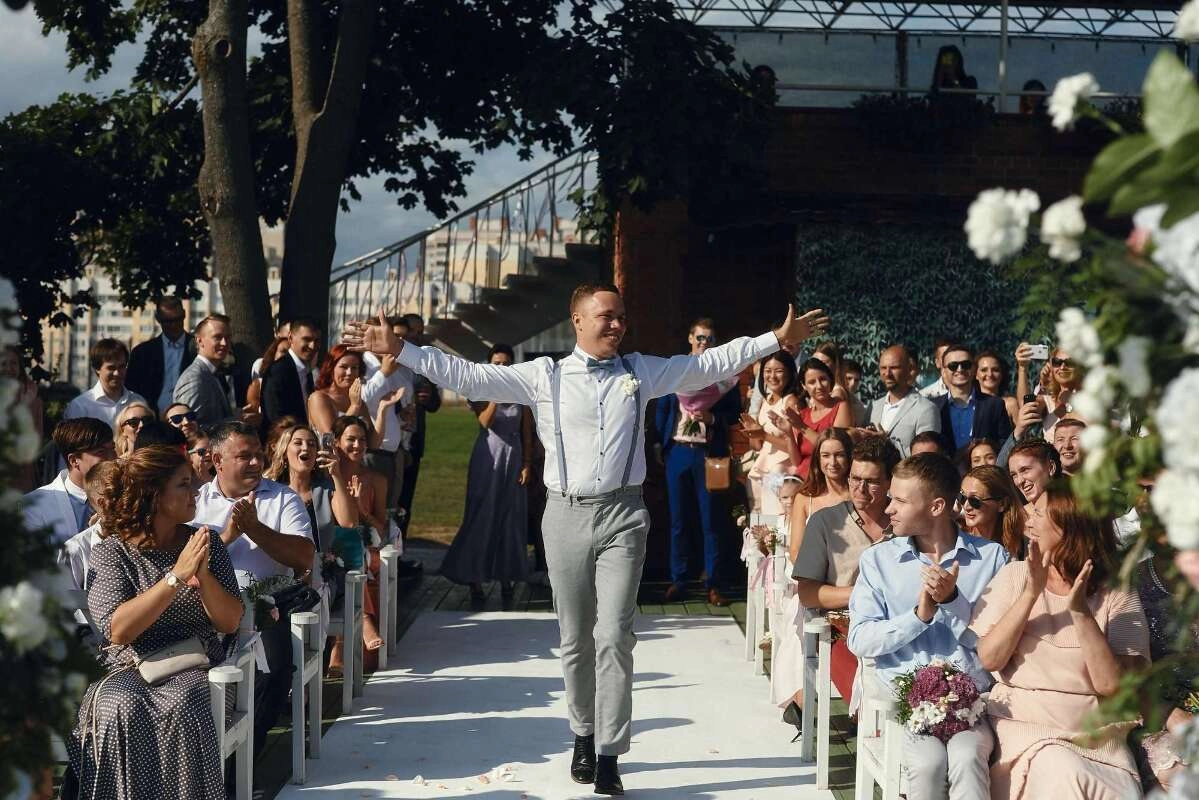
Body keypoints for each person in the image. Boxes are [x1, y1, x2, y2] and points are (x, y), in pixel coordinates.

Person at [341, 284, 828, 794]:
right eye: (606, 316)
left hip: (624, 514)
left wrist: (775, 339)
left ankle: (610, 752)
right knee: (575, 639)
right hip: (565, 516)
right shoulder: (544, 375)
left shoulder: (641, 371)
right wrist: (403, 350)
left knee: (614, 635)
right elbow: (469, 375)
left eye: (621, 316)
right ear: (576, 320)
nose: (617, 324)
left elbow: (707, 365)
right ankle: (583, 731)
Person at [68, 446, 243, 800]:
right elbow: (118, 630)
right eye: (183, 484)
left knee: (183, 703)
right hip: (129, 664)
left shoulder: (205, 542)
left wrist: (203, 576)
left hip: (196, 662)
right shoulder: (113, 551)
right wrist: (175, 577)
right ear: (154, 495)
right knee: (118, 704)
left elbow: (230, 622)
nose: (195, 492)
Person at [970, 483, 1150, 799]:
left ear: (1069, 527)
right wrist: (1031, 592)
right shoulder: (1014, 575)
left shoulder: (1116, 592)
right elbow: (990, 658)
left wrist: (1081, 614)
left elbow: (1111, 685)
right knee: (1065, 772)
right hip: (1026, 729)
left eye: (1039, 513)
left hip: (1098, 738)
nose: (1029, 519)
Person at [848, 453, 1009, 800]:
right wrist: (918, 616)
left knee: (967, 756)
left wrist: (952, 603)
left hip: (973, 705)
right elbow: (860, 639)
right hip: (905, 709)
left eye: (900, 501)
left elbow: (1000, 642)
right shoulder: (878, 560)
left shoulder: (993, 558)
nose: (888, 508)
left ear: (936, 506)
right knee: (928, 763)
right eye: (890, 498)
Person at [190, 421, 316, 751]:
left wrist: (255, 528)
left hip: (265, 611)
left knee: (274, 668)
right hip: (202, 610)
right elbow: (181, 563)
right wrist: (229, 535)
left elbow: (304, 557)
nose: (256, 463)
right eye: (245, 456)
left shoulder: (282, 499)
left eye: (259, 454)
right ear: (217, 460)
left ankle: (243, 757)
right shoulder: (194, 501)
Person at [793, 436, 900, 718]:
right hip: (841, 628)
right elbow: (807, 592)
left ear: (890, 482)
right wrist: (863, 593)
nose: (860, 488)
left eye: (871, 481)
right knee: (873, 707)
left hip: (899, 626)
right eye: (855, 478)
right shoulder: (825, 522)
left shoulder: (906, 522)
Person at [655, 318, 742, 606]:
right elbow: (663, 407)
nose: (704, 343)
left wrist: (712, 418)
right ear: (691, 339)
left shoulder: (723, 375)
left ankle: (713, 583)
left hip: (708, 454)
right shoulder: (677, 369)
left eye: (710, 339)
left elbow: (734, 412)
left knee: (711, 520)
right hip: (678, 451)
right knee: (678, 520)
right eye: (700, 338)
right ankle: (679, 580)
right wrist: (658, 444)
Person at [441, 344, 535, 607]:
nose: (501, 368)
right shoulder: (479, 389)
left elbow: (527, 431)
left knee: (510, 516)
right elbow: (485, 422)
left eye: (506, 364)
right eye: (497, 364)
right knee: (482, 514)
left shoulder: (521, 392)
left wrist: (527, 463)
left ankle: (507, 576)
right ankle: (474, 578)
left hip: (514, 456)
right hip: (489, 456)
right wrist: (496, 391)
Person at [264, 423, 362, 674]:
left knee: (312, 587)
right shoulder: (268, 487)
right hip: (276, 569)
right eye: (298, 443)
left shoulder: (325, 488)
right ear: (285, 450)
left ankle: (307, 671)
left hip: (320, 572)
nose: (305, 448)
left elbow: (349, 522)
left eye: (311, 444)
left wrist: (337, 474)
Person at [773, 428, 853, 733]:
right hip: (815, 582)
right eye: (826, 455)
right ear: (817, 459)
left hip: (852, 582)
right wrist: (821, 577)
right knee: (801, 618)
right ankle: (801, 697)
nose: (833, 462)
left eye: (839, 455)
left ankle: (848, 701)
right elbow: (796, 550)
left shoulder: (857, 494)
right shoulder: (805, 498)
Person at [330, 415, 389, 653]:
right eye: (351, 439)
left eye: (362, 440)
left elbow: (381, 529)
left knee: (354, 554)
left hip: (366, 547)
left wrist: (362, 511)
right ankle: (363, 621)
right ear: (336, 442)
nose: (357, 445)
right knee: (344, 556)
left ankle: (340, 647)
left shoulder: (376, 480)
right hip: (332, 547)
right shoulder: (326, 477)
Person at [23, 418, 116, 545]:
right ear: (74, 460)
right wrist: (98, 529)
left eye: (113, 448)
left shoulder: (127, 494)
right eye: (101, 452)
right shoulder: (33, 507)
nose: (112, 458)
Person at [396, 313, 443, 552]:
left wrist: (428, 397)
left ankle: (400, 553)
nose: (417, 336)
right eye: (413, 331)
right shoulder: (393, 360)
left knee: (406, 502)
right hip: (393, 443)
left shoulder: (424, 361)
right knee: (391, 502)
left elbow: (435, 404)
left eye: (420, 332)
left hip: (415, 443)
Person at [743, 352, 801, 515]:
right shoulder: (766, 399)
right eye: (767, 371)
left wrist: (763, 435)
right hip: (763, 464)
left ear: (789, 373)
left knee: (775, 517)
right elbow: (758, 446)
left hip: (782, 469)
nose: (772, 376)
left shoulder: (791, 402)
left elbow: (796, 447)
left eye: (779, 371)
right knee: (759, 516)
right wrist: (752, 433)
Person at [865, 344, 941, 458]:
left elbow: (927, 457)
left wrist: (887, 443)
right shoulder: (873, 407)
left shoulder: (926, 409)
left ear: (909, 370)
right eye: (883, 368)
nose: (887, 374)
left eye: (894, 368)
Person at [935, 344, 1013, 454]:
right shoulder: (934, 407)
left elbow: (1005, 444)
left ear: (974, 369)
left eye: (965, 365)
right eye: (953, 366)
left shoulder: (995, 405)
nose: (960, 369)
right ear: (943, 372)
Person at [781, 358, 853, 478]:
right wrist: (788, 433)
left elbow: (835, 447)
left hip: (826, 477)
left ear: (830, 380)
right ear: (804, 386)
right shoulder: (803, 415)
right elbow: (796, 462)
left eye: (823, 379)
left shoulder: (841, 406)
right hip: (802, 477)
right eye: (812, 382)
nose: (819, 386)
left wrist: (802, 427)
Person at [126, 297, 197, 413]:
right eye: (168, 321)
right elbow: (131, 391)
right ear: (158, 318)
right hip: (152, 418)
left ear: (184, 315)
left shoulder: (199, 349)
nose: (173, 325)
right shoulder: (142, 353)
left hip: (190, 417)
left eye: (177, 319)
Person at [173, 314, 242, 428]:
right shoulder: (194, 378)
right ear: (199, 341)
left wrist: (237, 415)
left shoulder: (212, 373)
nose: (224, 343)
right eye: (217, 337)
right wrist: (236, 421)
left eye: (228, 337)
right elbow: (191, 429)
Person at [64, 339, 148, 427]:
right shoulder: (80, 406)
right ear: (97, 368)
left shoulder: (138, 402)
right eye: (111, 368)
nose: (117, 373)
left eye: (122, 367)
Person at [261, 317, 320, 431]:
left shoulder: (306, 370)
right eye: (307, 339)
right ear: (290, 338)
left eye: (317, 341)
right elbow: (274, 416)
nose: (312, 346)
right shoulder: (278, 371)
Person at [959, 464, 1026, 558]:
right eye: (962, 497)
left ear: (1002, 504)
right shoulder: (956, 539)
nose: (966, 506)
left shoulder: (1022, 547)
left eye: (975, 500)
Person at [0, 345, 43, 492]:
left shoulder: (33, 400)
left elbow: (37, 440)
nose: (8, 368)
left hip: (23, 477)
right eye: (3, 363)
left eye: (13, 363)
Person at [307, 344, 369, 437]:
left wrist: (382, 410)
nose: (349, 373)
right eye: (344, 367)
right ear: (331, 368)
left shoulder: (358, 402)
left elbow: (372, 442)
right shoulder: (319, 398)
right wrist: (354, 407)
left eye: (354, 368)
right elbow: (331, 438)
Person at [245, 321, 291, 413]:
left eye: (290, 353)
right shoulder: (258, 385)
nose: (287, 356)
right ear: (274, 353)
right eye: (283, 351)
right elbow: (253, 413)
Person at [1007, 439, 1062, 509]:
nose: (1019, 481)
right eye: (1014, 475)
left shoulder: (1074, 506)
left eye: (1025, 470)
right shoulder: (1020, 515)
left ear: (1051, 467)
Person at [977, 349, 1019, 423]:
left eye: (995, 370)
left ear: (1002, 374)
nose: (990, 374)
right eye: (984, 370)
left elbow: (1022, 429)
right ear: (976, 375)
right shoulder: (969, 404)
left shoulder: (1010, 404)